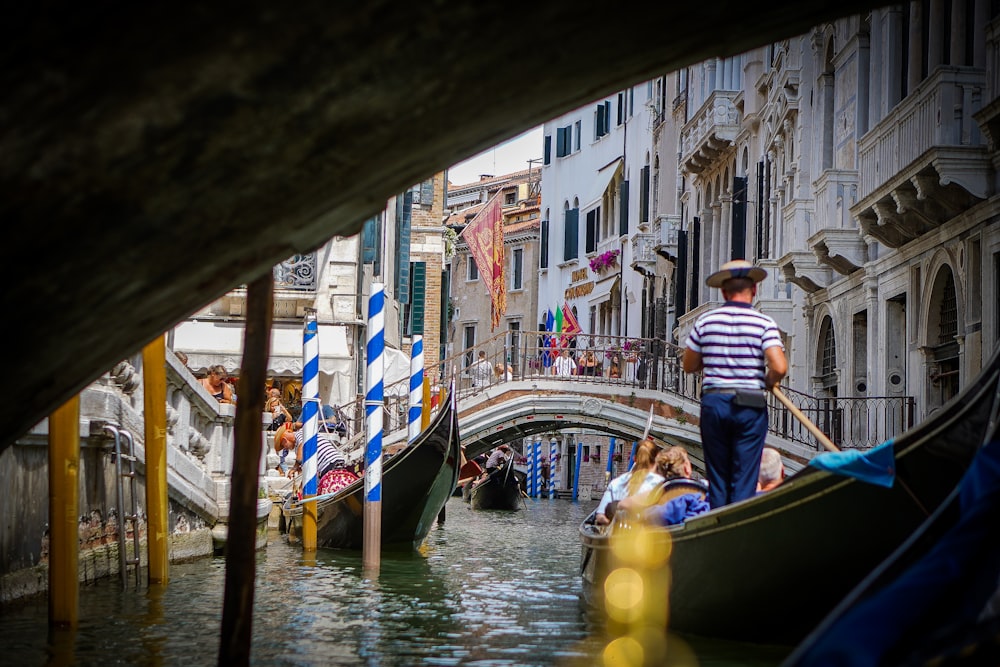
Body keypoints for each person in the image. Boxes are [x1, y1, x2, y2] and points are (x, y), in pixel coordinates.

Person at [683, 259, 787, 509]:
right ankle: (740, 529)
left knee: (718, 477)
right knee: (745, 477)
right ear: (754, 290)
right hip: (749, 404)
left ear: (724, 292)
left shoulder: (705, 322)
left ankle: (718, 527)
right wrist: (767, 381)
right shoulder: (764, 323)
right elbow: (779, 367)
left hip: (715, 402)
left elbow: (689, 365)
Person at [593, 438, 665, 526]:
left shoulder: (616, 482)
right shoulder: (662, 484)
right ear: (657, 459)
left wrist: (613, 526)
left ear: (634, 459)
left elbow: (600, 516)